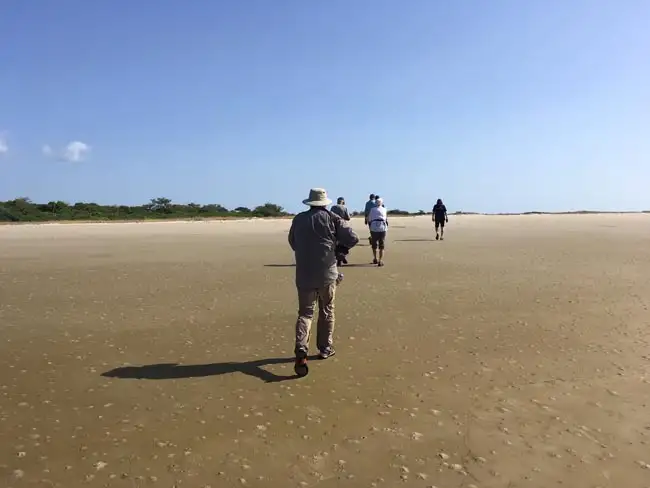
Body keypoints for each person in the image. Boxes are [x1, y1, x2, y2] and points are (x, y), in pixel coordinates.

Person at [288, 188, 359, 377]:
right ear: (325, 202)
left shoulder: (298, 219)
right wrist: (339, 249)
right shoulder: (333, 218)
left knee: (305, 313)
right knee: (327, 310)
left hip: (304, 273)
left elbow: (293, 242)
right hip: (327, 272)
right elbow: (353, 238)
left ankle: (301, 348)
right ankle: (325, 347)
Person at [330, 197, 352, 266]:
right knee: (344, 242)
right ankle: (342, 255)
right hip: (342, 226)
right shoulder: (344, 208)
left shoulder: (333, 207)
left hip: (333, 227)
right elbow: (348, 218)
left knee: (335, 243)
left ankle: (338, 257)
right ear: (343, 202)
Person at [367, 197, 388, 266]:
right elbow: (385, 219)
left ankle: (375, 258)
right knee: (381, 244)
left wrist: (370, 226)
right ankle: (380, 260)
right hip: (382, 227)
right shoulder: (384, 209)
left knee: (374, 244)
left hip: (374, 227)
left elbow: (369, 219)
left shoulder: (372, 209)